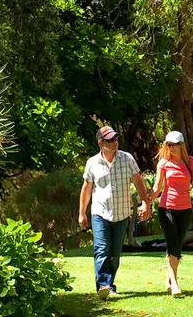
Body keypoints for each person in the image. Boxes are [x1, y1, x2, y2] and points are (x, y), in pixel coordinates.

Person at [78, 125, 151, 300]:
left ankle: (110, 285)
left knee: (114, 255)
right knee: (101, 249)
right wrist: (82, 213)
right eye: (110, 140)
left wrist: (145, 203)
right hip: (100, 213)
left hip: (121, 214)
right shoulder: (92, 163)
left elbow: (138, 182)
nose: (114, 142)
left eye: (115, 139)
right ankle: (103, 285)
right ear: (100, 143)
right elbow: (87, 189)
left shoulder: (127, 159)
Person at [149, 130, 193, 296]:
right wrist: (146, 202)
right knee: (173, 244)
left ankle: (169, 278)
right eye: (168, 145)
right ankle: (174, 284)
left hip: (185, 210)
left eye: (174, 145)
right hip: (166, 208)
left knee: (177, 246)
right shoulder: (163, 163)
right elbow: (157, 187)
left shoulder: (192, 163)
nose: (171, 148)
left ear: (181, 145)